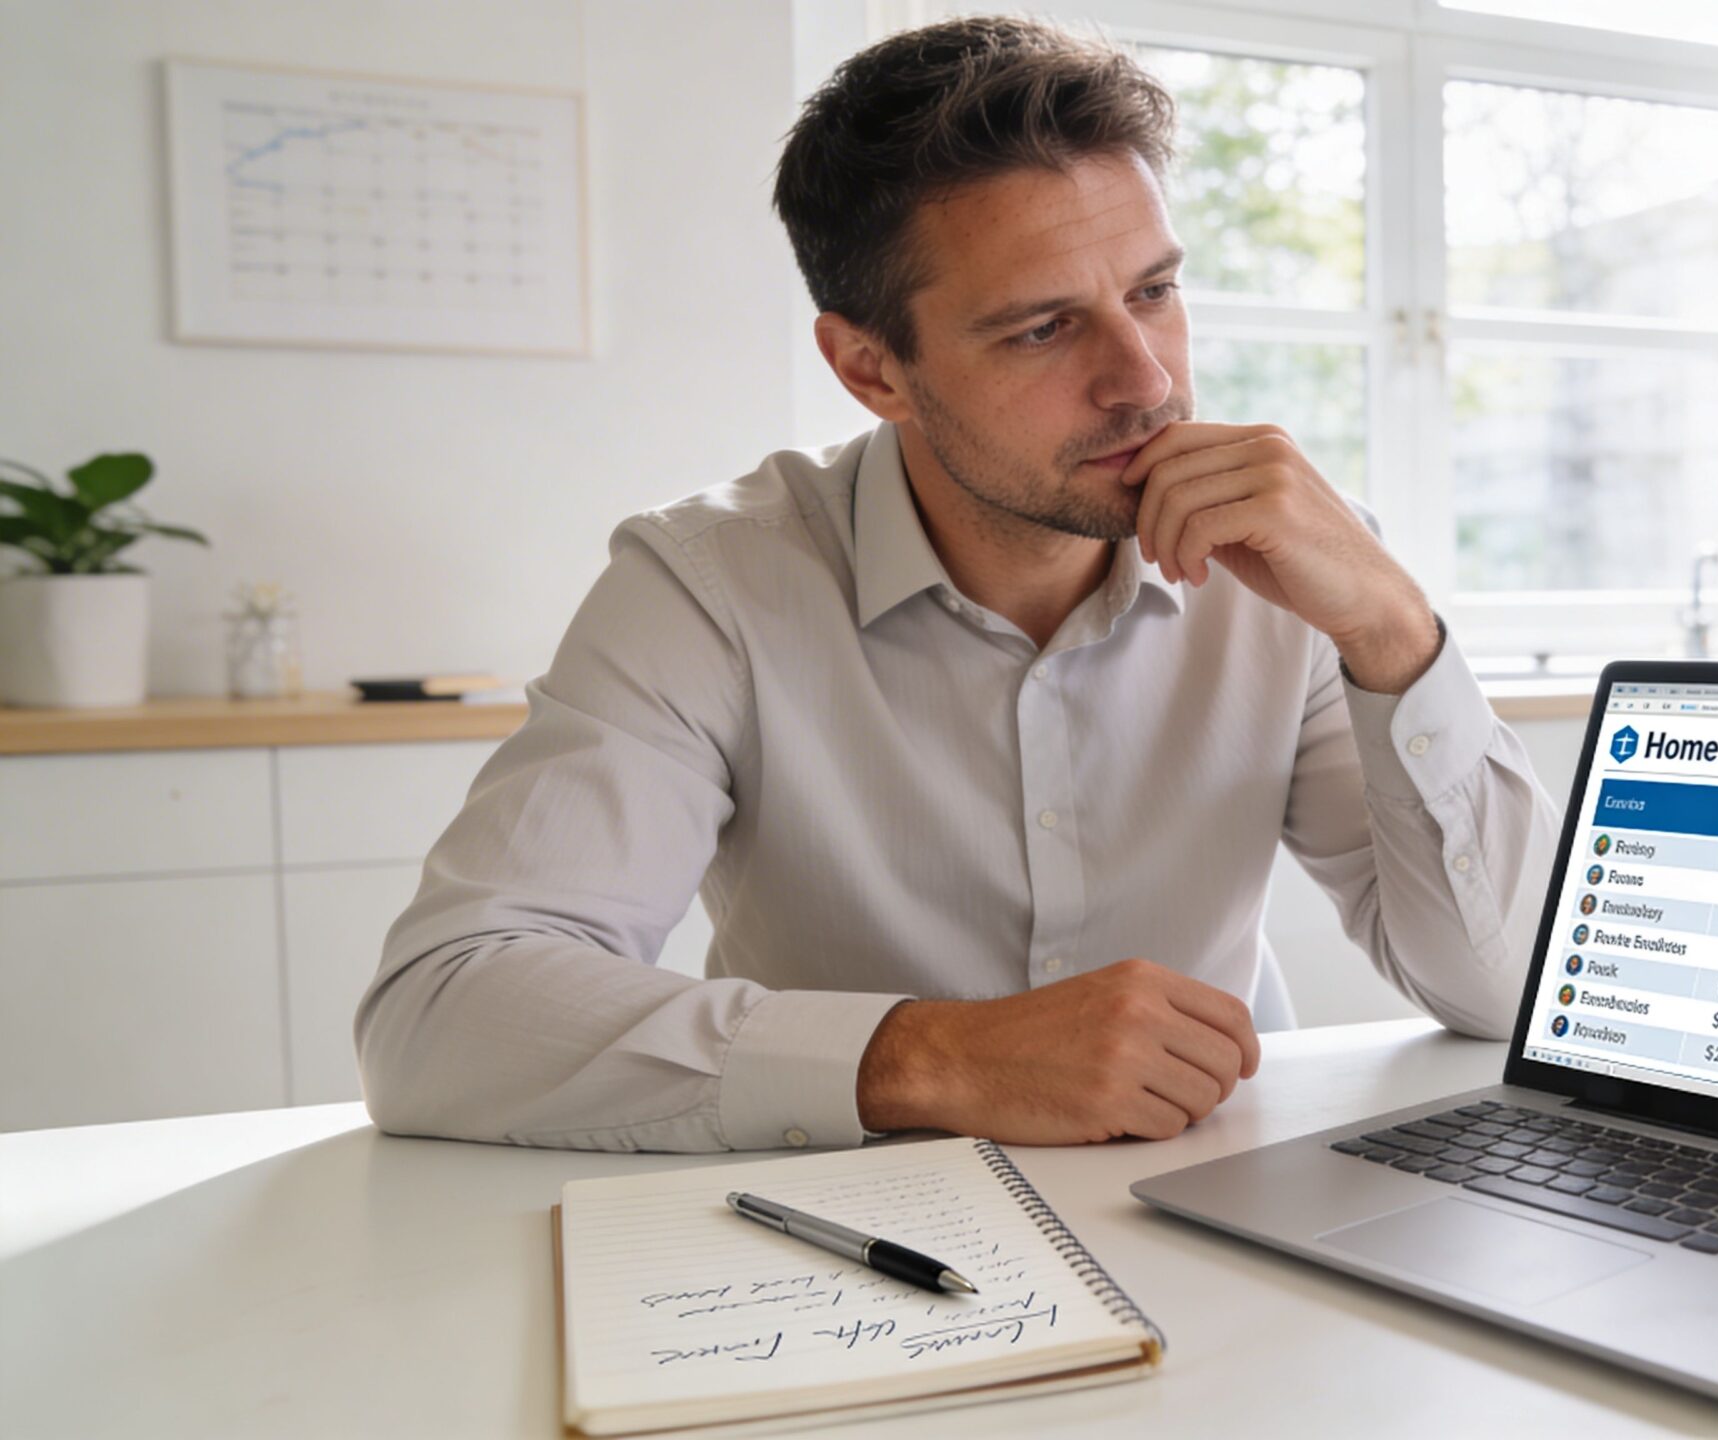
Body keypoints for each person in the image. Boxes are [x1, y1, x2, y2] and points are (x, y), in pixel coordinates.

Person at [353, 14, 1558, 1154]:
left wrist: (1396, 633)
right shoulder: (707, 584)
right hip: (855, 1234)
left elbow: (1511, 999)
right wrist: (935, 1056)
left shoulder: (1291, 572)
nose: (1143, 381)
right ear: (870, 368)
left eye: (1152, 291)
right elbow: (441, 1017)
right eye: (1041, 329)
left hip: (1222, 1194)